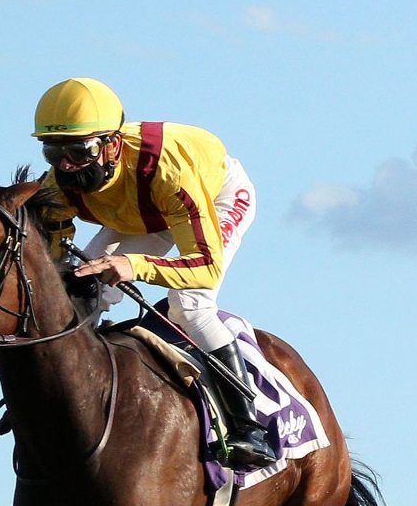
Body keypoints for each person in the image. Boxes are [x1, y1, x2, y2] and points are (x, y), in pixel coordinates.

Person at [29, 77, 276, 470]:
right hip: (140, 208)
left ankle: (248, 427)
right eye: (53, 152)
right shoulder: (58, 185)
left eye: (80, 150)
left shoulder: (170, 172)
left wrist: (133, 266)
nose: (67, 166)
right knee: (78, 291)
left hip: (210, 197)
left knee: (189, 307)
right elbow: (57, 257)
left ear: (112, 143)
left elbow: (205, 268)